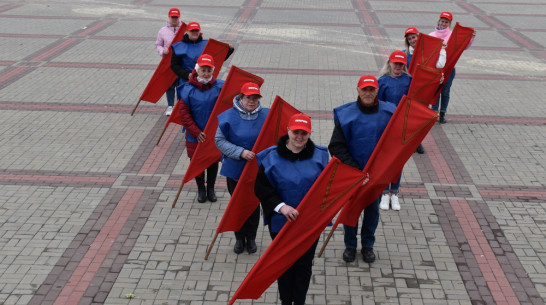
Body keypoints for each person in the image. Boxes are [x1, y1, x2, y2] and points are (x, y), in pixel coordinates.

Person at [255, 113, 329, 305]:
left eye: (304, 133)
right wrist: (281, 207)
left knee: (304, 266)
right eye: (296, 132)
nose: (299, 137)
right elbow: (261, 188)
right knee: (284, 265)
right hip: (281, 223)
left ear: (309, 134)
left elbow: (329, 187)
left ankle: (300, 301)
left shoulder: (321, 156)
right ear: (288, 131)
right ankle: (286, 301)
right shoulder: (269, 158)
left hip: (309, 224)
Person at [328, 75, 395, 263]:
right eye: (364, 89)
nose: (368, 93)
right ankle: (350, 245)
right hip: (352, 176)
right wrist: (356, 172)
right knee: (350, 210)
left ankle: (368, 245)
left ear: (377, 91)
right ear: (358, 90)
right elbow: (336, 147)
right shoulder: (345, 114)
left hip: (377, 177)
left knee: (372, 212)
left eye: (371, 89)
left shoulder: (390, 113)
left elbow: (395, 143)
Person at [215, 83, 269, 254]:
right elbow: (219, 141)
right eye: (248, 98)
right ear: (240, 97)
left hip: (258, 171)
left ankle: (251, 238)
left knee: (253, 204)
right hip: (235, 169)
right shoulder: (227, 116)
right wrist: (240, 152)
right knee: (238, 204)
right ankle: (239, 238)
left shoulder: (267, 115)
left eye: (255, 98)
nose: (252, 101)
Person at [178, 54, 224, 203]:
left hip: (213, 135)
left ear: (213, 71)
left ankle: (210, 188)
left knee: (212, 162)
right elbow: (184, 115)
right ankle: (200, 189)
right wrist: (196, 132)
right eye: (203, 70)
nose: (206, 73)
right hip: (195, 135)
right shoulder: (187, 89)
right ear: (197, 70)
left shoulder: (220, 87)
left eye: (209, 70)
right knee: (196, 163)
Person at [377, 50, 412, 210]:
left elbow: (419, 99)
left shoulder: (410, 80)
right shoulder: (382, 81)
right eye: (395, 63)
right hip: (385, 126)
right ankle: (384, 192)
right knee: (385, 160)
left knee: (398, 161)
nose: (397, 66)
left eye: (400, 64)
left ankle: (394, 193)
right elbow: (377, 105)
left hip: (402, 127)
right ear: (389, 63)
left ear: (404, 65)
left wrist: (438, 83)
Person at [403, 26, 447, 153]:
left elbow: (439, 65)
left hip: (423, 91)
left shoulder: (428, 51)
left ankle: (417, 143)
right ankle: (407, 143)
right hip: (409, 91)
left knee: (419, 120)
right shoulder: (405, 54)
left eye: (414, 37)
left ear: (418, 37)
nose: (412, 40)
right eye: (410, 38)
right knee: (408, 119)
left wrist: (442, 49)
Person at [429, 11, 476, 123]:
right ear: (439, 21)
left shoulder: (452, 36)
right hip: (436, 69)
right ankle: (433, 113)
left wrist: (471, 38)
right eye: (442, 21)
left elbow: (463, 47)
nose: (444, 24)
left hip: (449, 69)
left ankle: (442, 114)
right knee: (435, 91)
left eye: (446, 22)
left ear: (450, 23)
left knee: (445, 92)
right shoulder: (431, 35)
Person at [155, 8, 182, 116]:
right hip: (168, 63)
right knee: (169, 85)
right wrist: (162, 51)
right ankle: (170, 106)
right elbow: (158, 45)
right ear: (169, 17)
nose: (174, 19)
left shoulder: (184, 30)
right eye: (172, 17)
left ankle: (180, 106)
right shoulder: (163, 31)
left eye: (176, 17)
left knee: (181, 85)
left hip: (181, 63)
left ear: (179, 17)